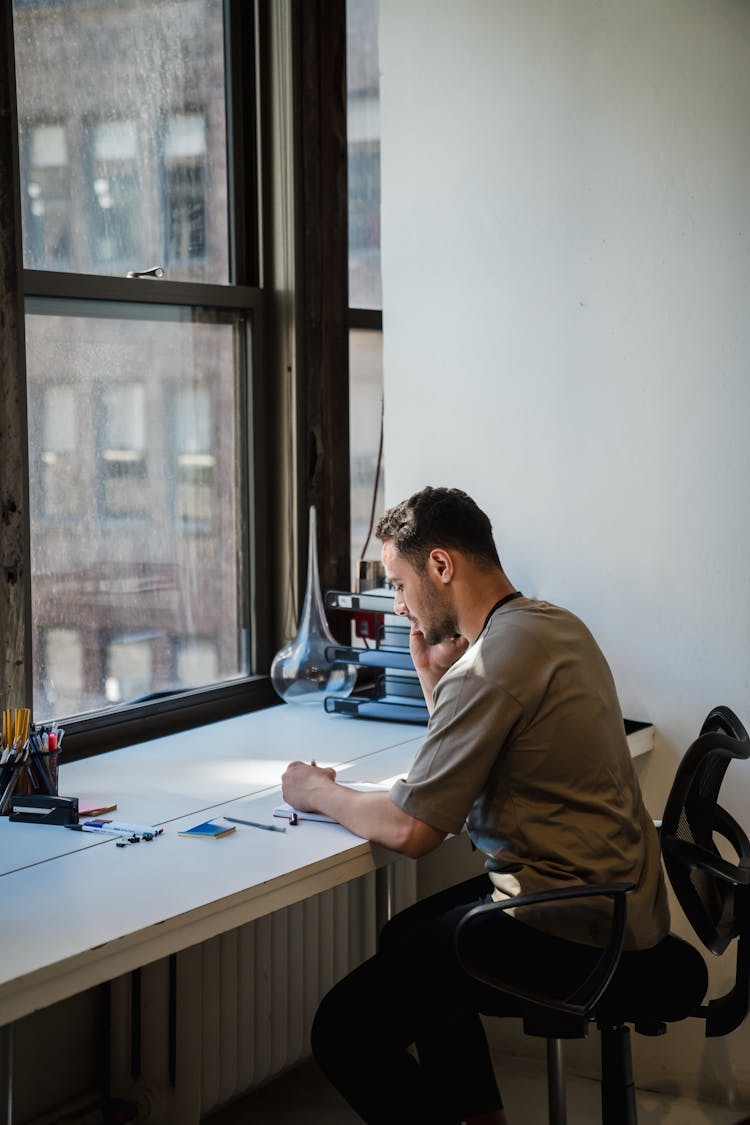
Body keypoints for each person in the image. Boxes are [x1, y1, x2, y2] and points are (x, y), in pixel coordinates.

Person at [281, 486, 669, 1125]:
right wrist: (437, 684)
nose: (398, 604)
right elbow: (476, 764)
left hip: (574, 923)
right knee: (408, 936)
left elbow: (413, 828)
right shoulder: (549, 624)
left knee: (343, 1030)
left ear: (441, 565)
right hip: (621, 899)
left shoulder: (492, 662)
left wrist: (314, 791)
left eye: (400, 583)